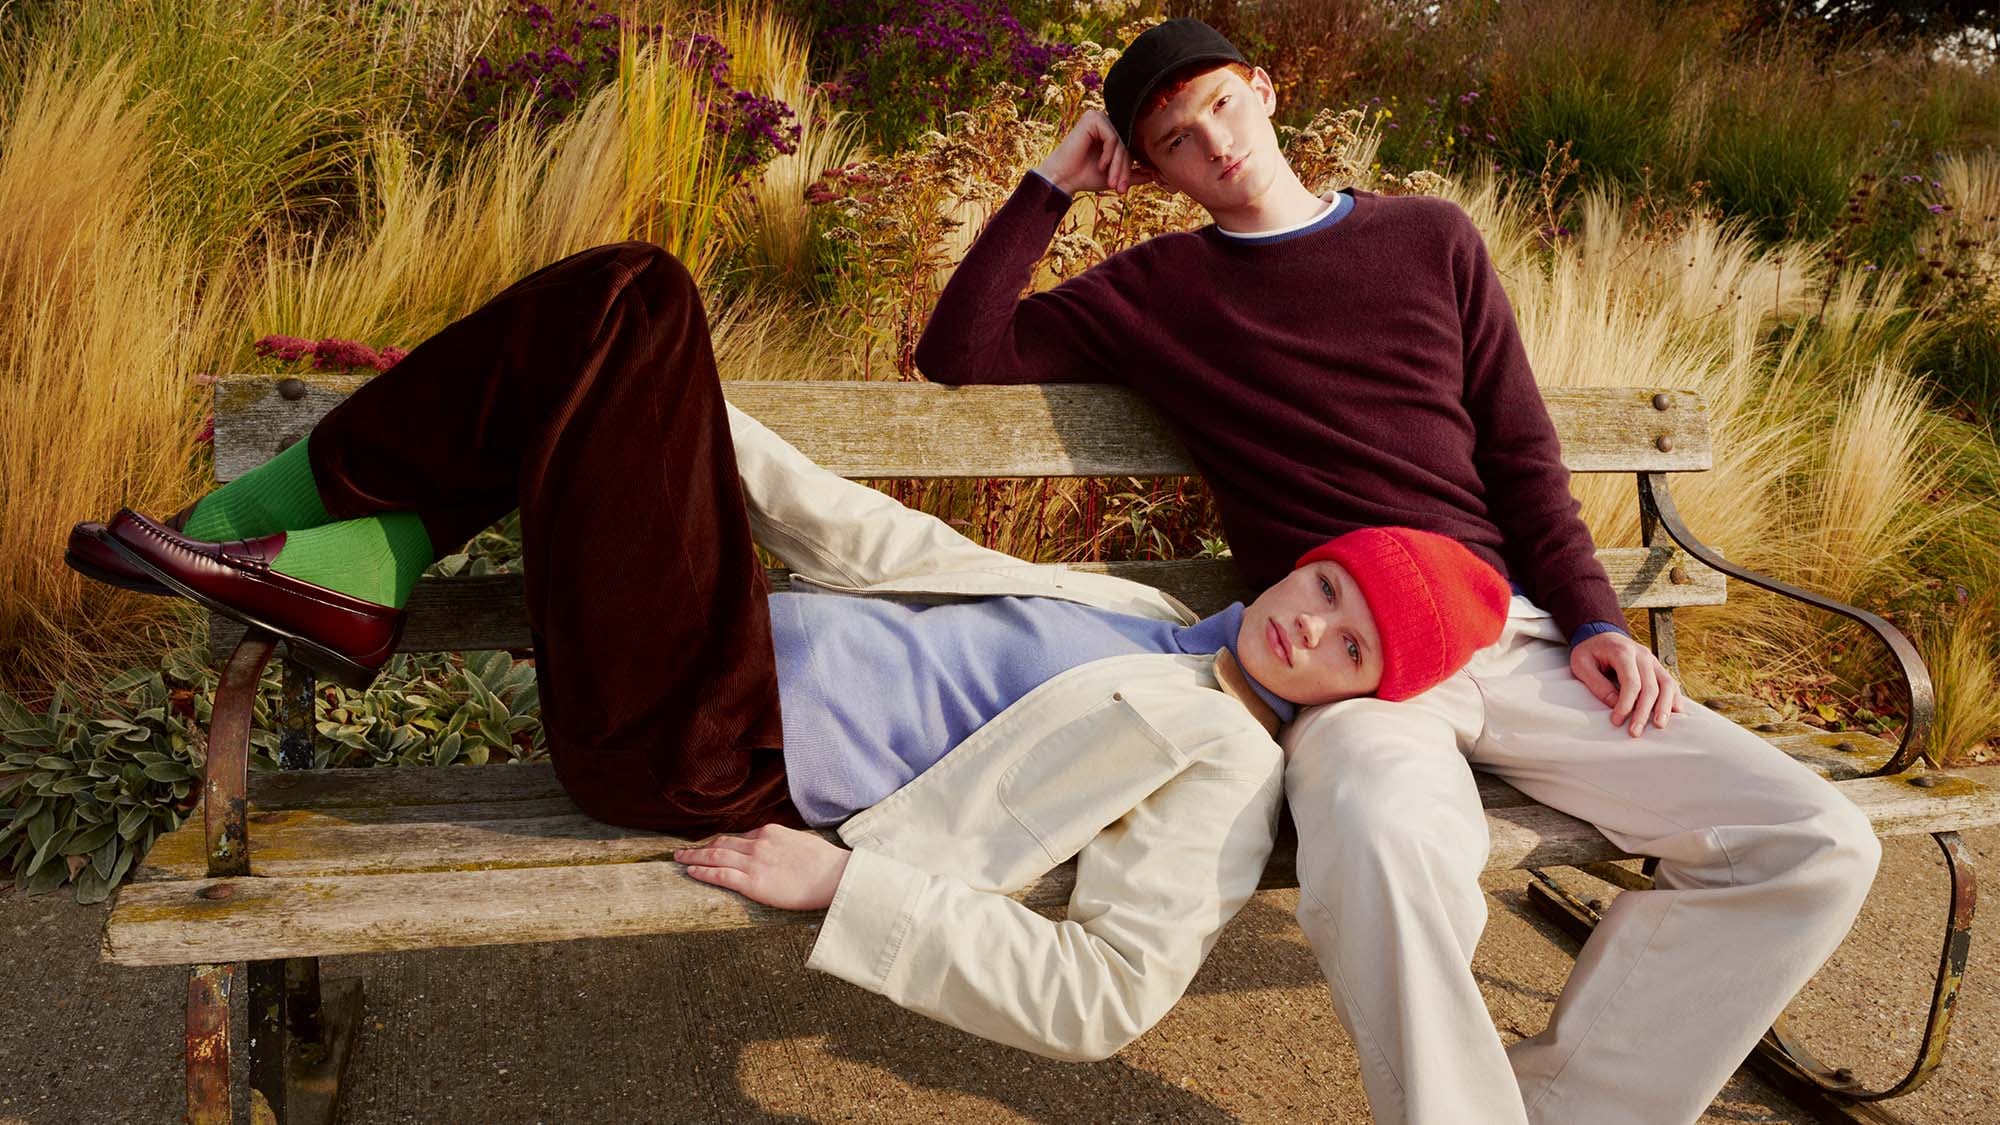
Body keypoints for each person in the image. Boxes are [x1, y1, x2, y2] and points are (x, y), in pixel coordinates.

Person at [65, 238, 1511, 1062]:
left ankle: (296, 530)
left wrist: (851, 888)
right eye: (1328, 582)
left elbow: (1105, 998)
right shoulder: (1144, 618)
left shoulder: (1221, 763)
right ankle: (347, 557)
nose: (1311, 621)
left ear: (1356, 688)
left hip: (708, 747)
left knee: (631, 299)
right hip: (702, 655)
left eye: (1349, 642)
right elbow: (880, 545)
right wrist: (676, 417)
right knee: (636, 314)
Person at [912, 17, 1881, 1123]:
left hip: (1505, 634)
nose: (1213, 143)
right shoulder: (1159, 291)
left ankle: (1564, 1107)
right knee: (1378, 833)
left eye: (1221, 105)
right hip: (1346, 671)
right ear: (1153, 171)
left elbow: (1521, 460)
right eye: (1173, 140)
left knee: (1812, 843)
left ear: (1264, 93)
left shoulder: (1429, 238)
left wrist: (1596, 622)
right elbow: (961, 352)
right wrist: (1053, 182)